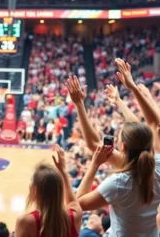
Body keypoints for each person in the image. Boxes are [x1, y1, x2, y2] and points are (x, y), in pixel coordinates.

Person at [67, 59, 160, 237]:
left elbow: (76, 205)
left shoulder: (119, 183)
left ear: (122, 146)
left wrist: (79, 105)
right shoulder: (156, 166)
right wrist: (124, 96)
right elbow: (152, 124)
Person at [15, 144, 82, 237]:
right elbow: (72, 202)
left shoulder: (25, 222)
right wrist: (62, 171)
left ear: (35, 191)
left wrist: (62, 171)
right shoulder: (75, 216)